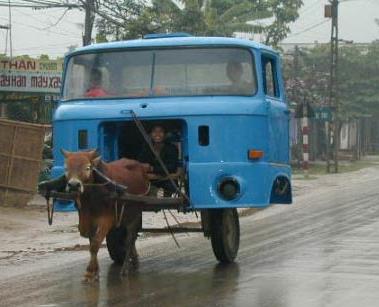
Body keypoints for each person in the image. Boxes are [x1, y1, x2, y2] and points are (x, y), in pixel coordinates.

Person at [138, 124, 179, 197]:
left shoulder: (171, 148)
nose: (157, 134)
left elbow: (172, 167)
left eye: (160, 132)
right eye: (154, 132)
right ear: (150, 135)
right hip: (150, 181)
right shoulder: (146, 149)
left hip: (167, 180)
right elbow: (142, 165)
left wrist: (152, 169)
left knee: (170, 187)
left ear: (165, 134)